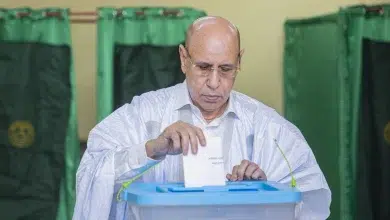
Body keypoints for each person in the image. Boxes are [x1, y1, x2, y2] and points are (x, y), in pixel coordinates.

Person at [72, 16, 331, 220]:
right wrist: (150, 150)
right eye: (204, 68)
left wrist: (263, 194)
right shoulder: (142, 115)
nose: (214, 83)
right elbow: (91, 171)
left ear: (239, 61)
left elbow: (312, 200)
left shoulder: (270, 130)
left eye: (226, 69)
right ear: (184, 59)